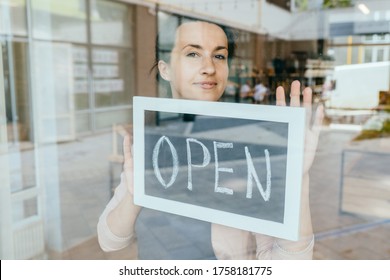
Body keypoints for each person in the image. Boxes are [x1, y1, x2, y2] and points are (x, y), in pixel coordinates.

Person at [97, 20, 323, 259]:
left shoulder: (248, 143)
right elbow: (109, 241)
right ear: (166, 70)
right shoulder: (154, 141)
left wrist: (296, 179)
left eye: (219, 56)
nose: (209, 67)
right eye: (193, 53)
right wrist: (135, 193)